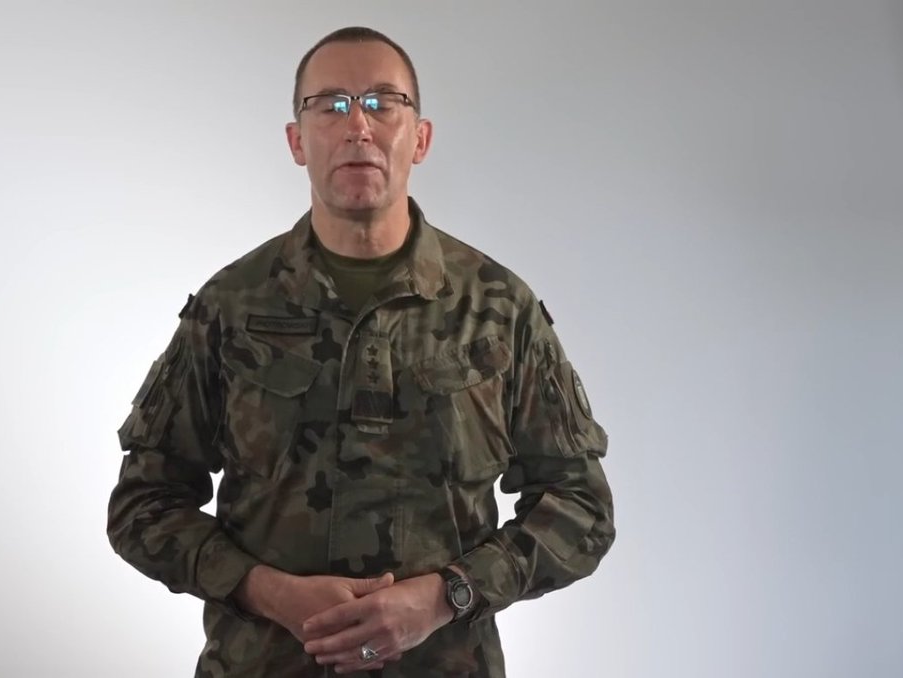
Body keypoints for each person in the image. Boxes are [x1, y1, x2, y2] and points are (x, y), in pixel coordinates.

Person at [107, 26, 615, 678]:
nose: (358, 127)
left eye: (382, 102)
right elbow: (142, 504)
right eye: (330, 105)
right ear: (297, 140)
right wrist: (266, 591)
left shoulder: (498, 308)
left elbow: (582, 508)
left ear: (420, 137)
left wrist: (447, 596)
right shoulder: (230, 306)